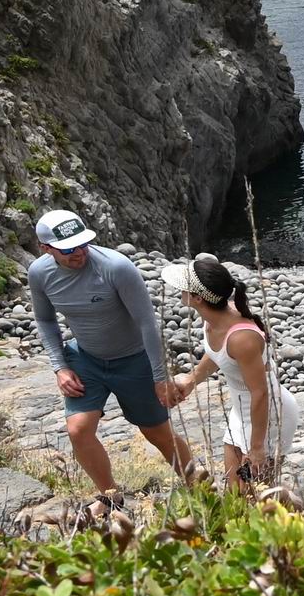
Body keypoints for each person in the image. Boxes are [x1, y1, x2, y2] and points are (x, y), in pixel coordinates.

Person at [26, 209, 195, 493]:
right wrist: (60, 367)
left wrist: (160, 377)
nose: (79, 252)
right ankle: (110, 496)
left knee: (157, 433)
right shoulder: (40, 274)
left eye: (83, 243)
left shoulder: (116, 267)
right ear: (46, 249)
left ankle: (199, 488)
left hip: (134, 360)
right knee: (78, 430)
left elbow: (147, 323)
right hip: (86, 360)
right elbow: (44, 320)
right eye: (68, 248)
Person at [162, 254, 304, 489]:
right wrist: (192, 379)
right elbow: (220, 355)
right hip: (241, 412)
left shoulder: (242, 339)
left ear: (197, 298)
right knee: (235, 495)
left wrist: (257, 447)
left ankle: (301, 515)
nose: (179, 291)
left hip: (266, 416)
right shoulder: (213, 318)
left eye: (184, 288)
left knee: (254, 498)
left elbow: (260, 392)